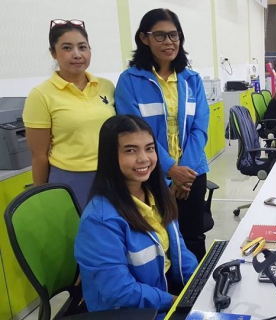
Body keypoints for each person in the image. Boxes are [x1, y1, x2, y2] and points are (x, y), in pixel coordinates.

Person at [75, 115, 198, 318]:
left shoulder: (158, 194)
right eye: (130, 150)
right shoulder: (100, 221)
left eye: (149, 148)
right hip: (133, 311)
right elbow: (120, 292)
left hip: (163, 292)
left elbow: (178, 246)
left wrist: (198, 282)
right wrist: (175, 301)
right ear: (110, 156)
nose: (144, 158)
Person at [115, 8, 210, 261]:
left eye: (174, 35)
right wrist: (169, 169)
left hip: (192, 174)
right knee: (157, 238)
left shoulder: (192, 80)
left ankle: (196, 295)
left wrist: (184, 173)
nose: (169, 42)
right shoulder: (130, 81)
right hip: (150, 174)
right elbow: (134, 132)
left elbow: (200, 128)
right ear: (144, 38)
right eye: (160, 36)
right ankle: (169, 295)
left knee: (193, 235)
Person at [22, 19, 115, 210]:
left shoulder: (107, 86)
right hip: (70, 179)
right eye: (67, 48)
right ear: (53, 53)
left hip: (111, 175)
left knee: (113, 234)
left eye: (82, 47)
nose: (77, 54)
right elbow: (39, 155)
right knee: (76, 236)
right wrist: (41, 196)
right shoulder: (40, 95)